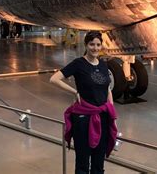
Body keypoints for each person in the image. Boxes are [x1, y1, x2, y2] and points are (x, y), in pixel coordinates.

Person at [50, 31, 117, 174]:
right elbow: (54, 79)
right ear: (86, 45)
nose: (95, 48)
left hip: (103, 117)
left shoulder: (104, 65)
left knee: (99, 161)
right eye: (92, 44)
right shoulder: (78, 64)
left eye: (98, 44)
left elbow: (107, 89)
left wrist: (113, 116)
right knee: (83, 161)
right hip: (83, 119)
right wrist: (75, 92)